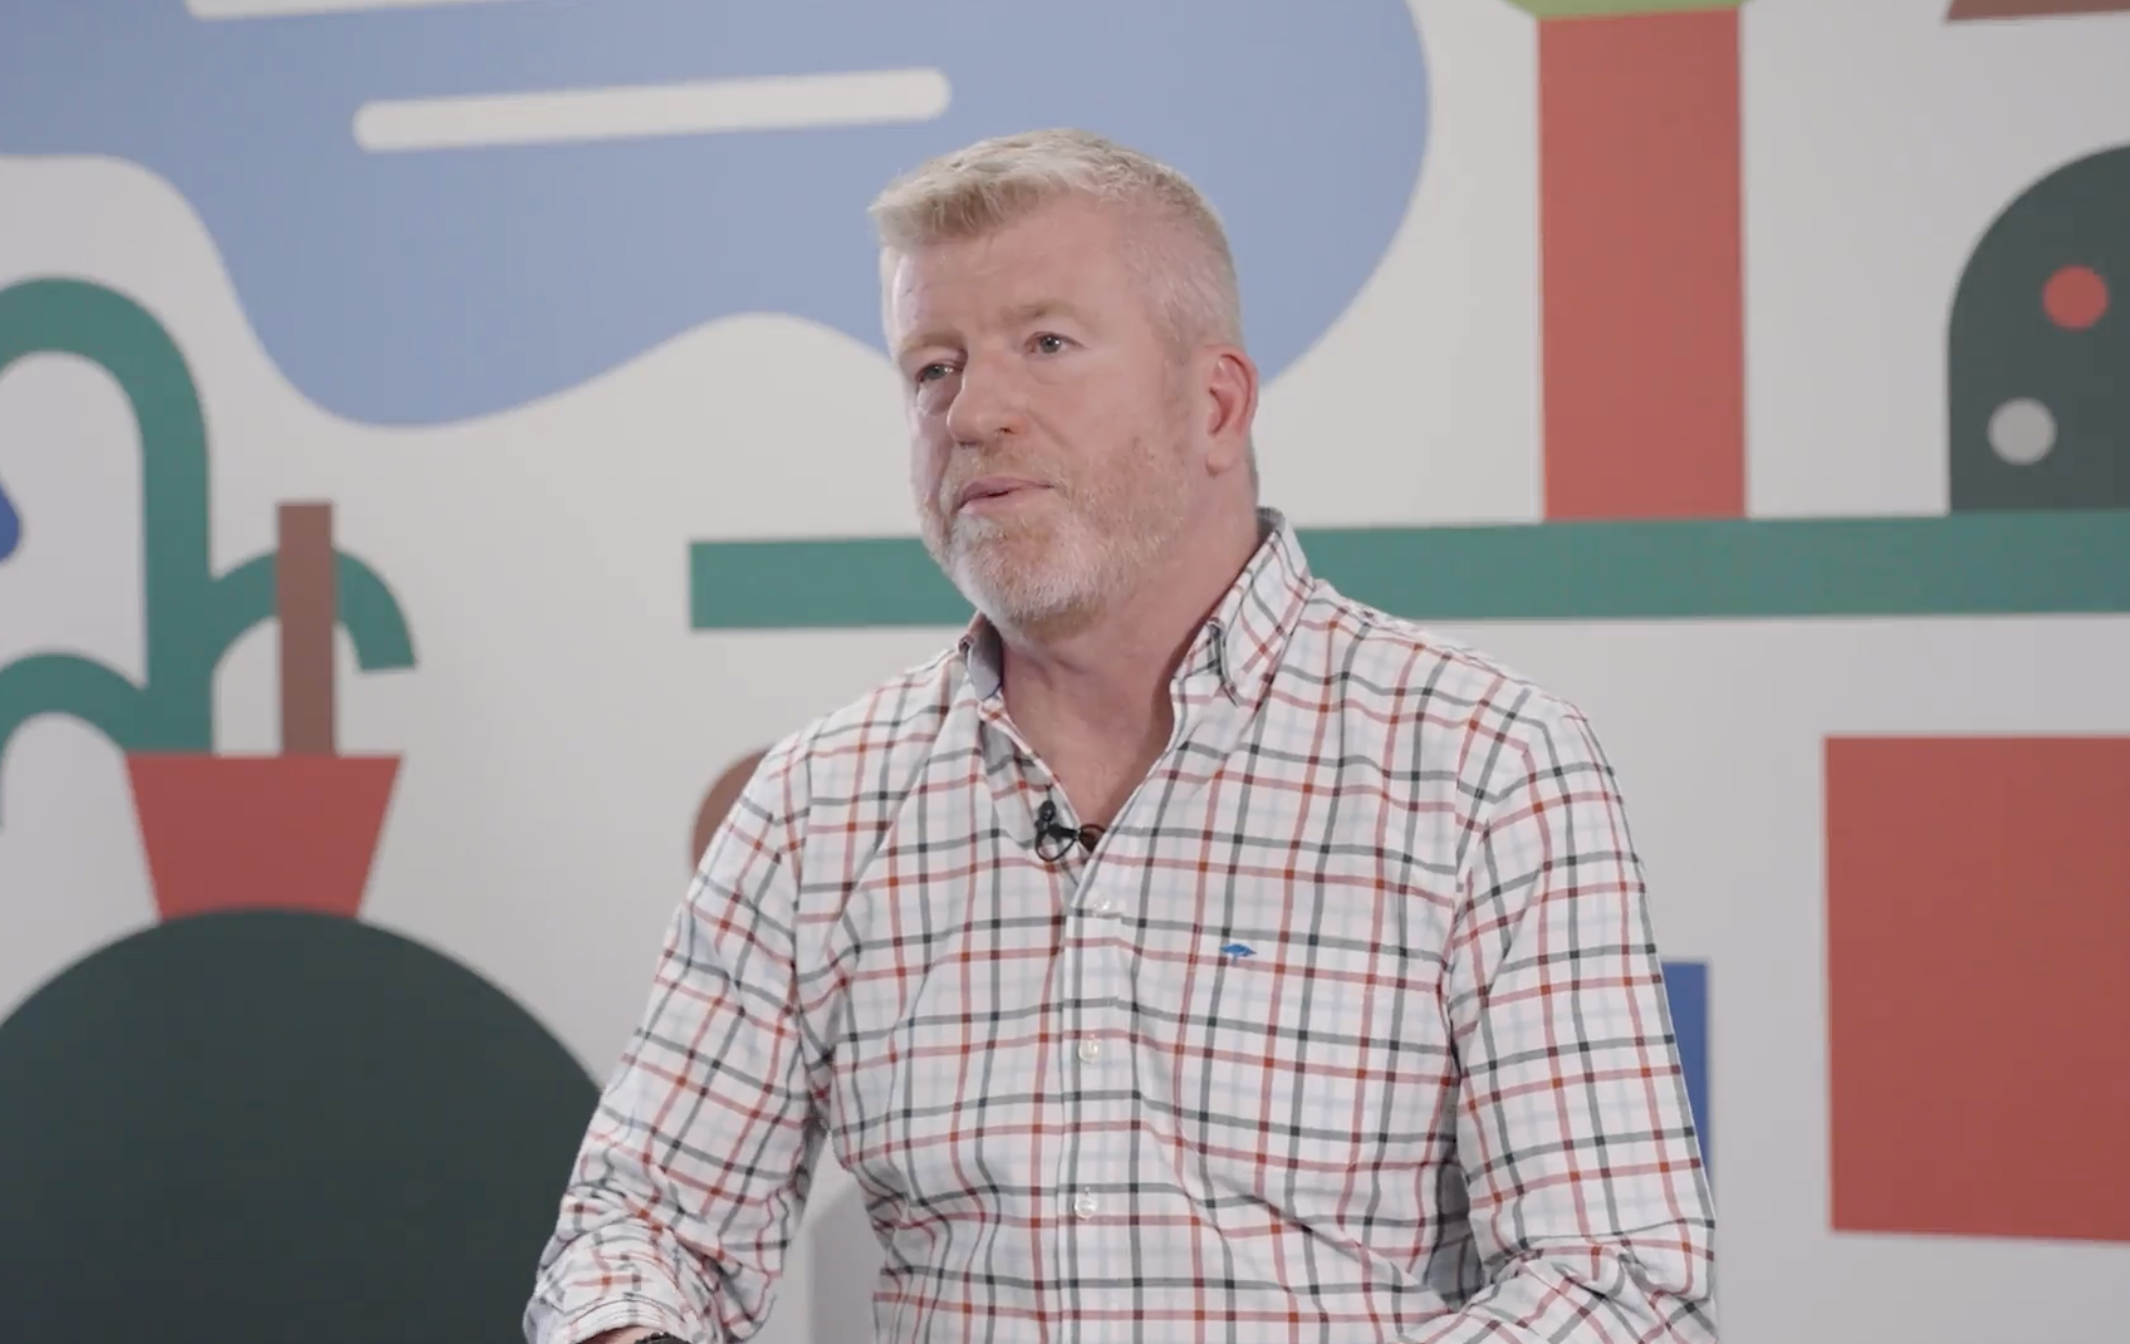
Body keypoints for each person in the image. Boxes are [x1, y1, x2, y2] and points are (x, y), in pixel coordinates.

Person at [523, 128, 1718, 1344]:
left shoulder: (1483, 766)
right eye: (933, 368)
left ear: (1216, 405)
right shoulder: (822, 801)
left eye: (1045, 344)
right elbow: (643, 1223)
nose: (973, 413)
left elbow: (1617, 1286)